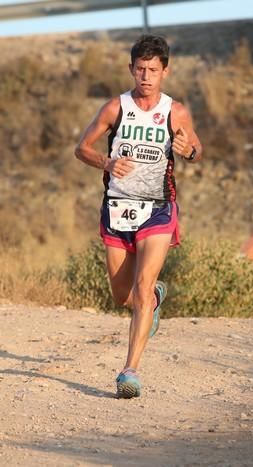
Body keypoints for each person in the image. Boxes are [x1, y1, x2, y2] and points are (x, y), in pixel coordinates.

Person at [74, 34, 202, 398]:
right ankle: (154, 299)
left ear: (165, 71)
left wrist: (187, 149)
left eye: (153, 70)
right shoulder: (116, 108)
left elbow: (197, 148)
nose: (146, 76)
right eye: (140, 69)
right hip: (117, 208)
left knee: (142, 287)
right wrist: (107, 161)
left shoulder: (175, 111)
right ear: (131, 69)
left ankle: (130, 371)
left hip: (158, 208)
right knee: (121, 294)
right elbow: (81, 148)